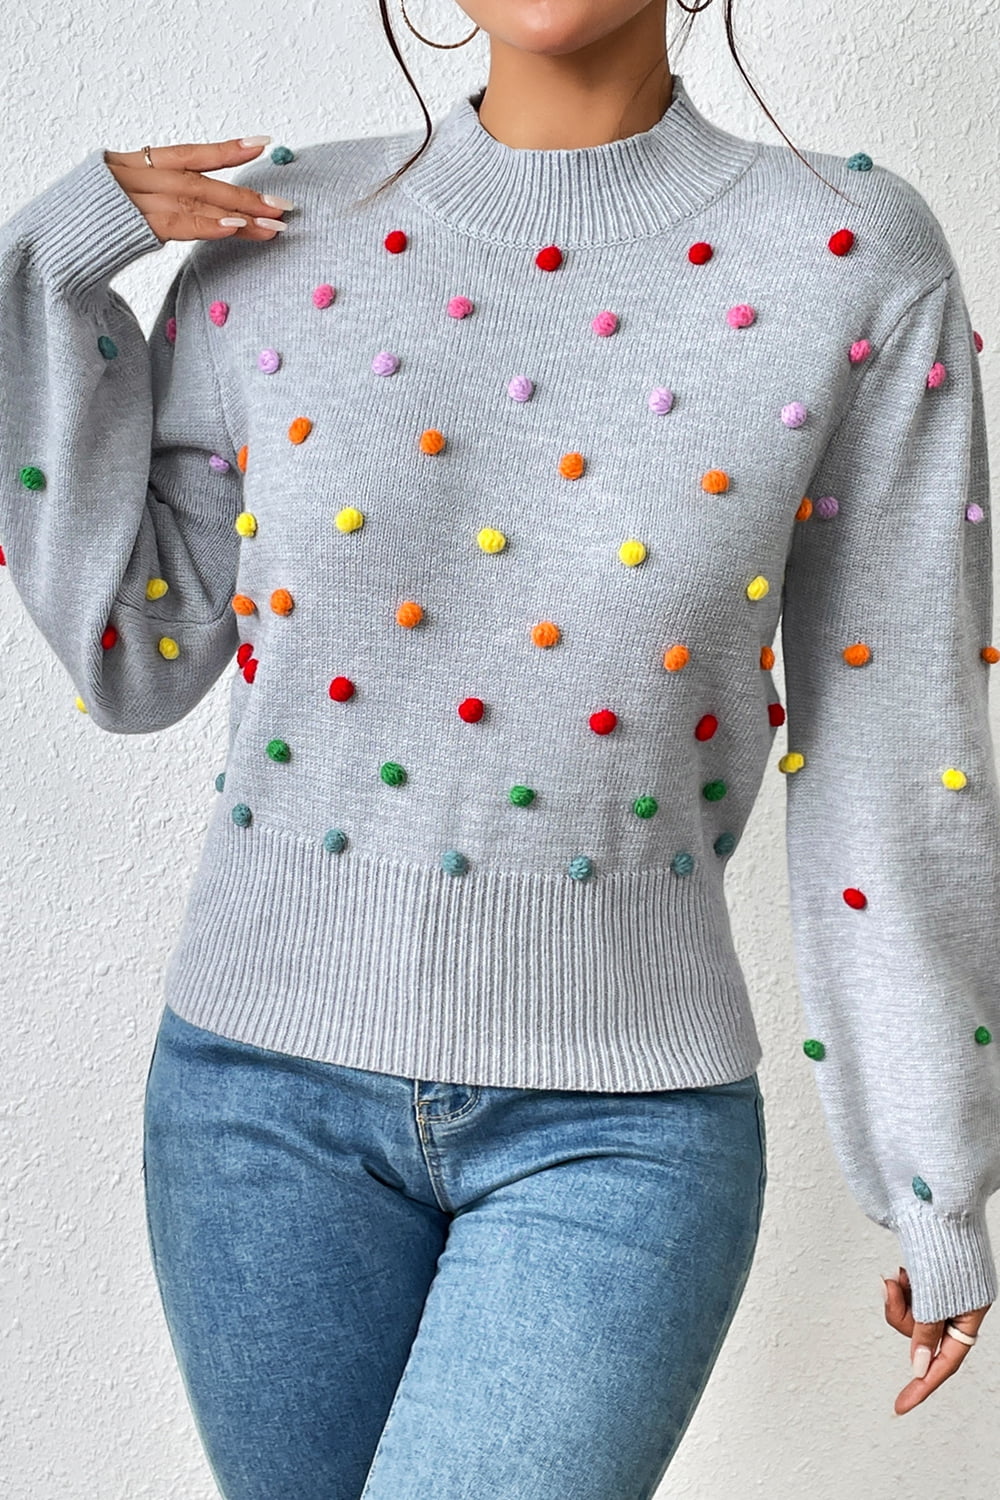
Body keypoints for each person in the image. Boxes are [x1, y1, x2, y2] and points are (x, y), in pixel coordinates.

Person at [1, 1, 997, 1494]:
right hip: (254, 1107)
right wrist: (43, 274)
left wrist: (933, 1168)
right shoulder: (272, 234)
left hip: (622, 1131)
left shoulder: (853, 255)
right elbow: (136, 658)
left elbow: (897, 741)